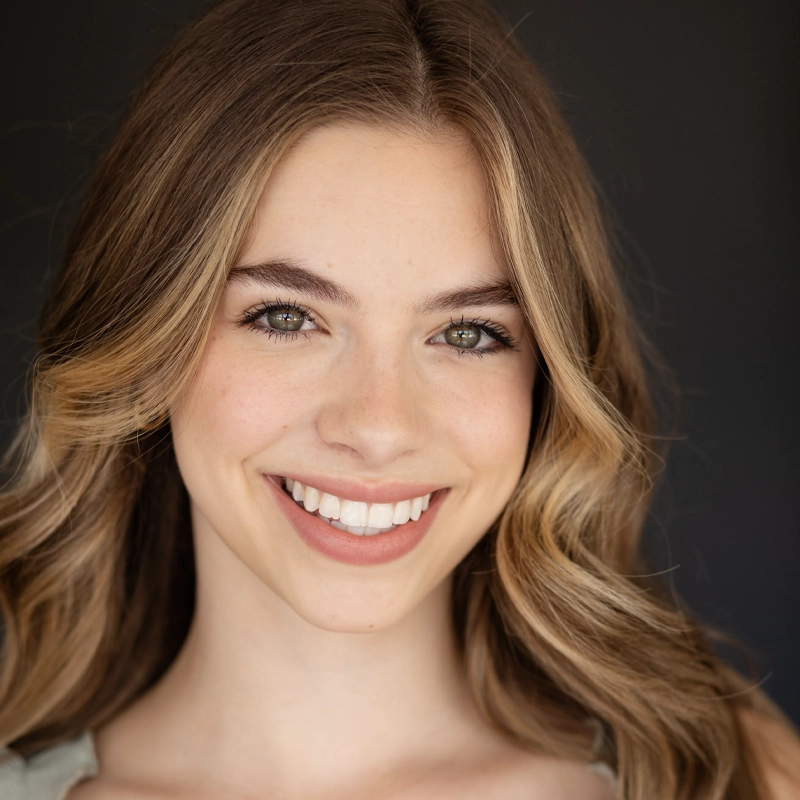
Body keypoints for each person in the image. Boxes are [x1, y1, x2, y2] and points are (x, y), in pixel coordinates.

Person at [0, 0, 798, 797]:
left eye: (468, 333)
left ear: (550, 377)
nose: (379, 426)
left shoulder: (730, 778)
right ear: (146, 342)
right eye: (287, 317)